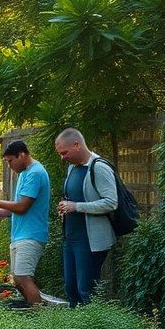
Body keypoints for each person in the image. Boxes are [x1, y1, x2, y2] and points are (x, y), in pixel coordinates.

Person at [0, 140, 50, 306]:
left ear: (21, 155)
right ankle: (30, 312)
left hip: (31, 234)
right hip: (20, 234)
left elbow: (22, 206)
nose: (10, 166)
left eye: (10, 161)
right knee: (17, 280)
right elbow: (20, 207)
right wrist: (2, 211)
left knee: (22, 277)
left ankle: (38, 315)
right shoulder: (24, 173)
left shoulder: (35, 173)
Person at [54, 128, 118, 307]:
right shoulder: (72, 169)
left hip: (90, 241)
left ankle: (93, 323)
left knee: (86, 291)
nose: (62, 157)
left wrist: (76, 207)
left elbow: (111, 203)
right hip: (70, 238)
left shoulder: (98, 167)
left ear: (77, 145)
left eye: (64, 153)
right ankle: (74, 324)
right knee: (71, 289)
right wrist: (65, 206)